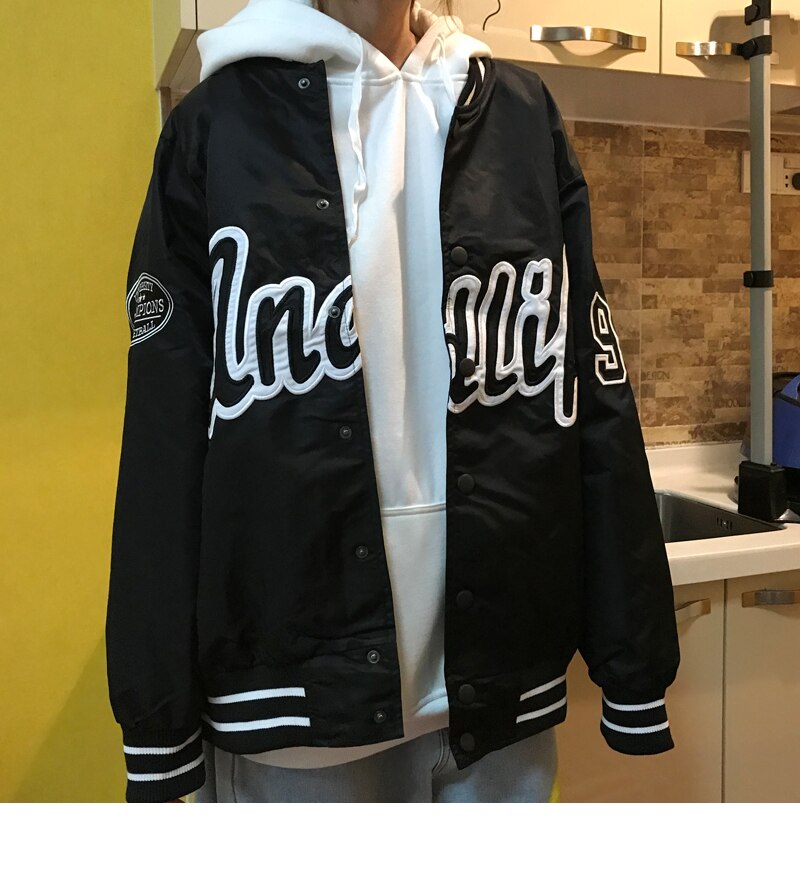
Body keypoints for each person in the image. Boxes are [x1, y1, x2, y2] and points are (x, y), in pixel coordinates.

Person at [106, 0, 680, 804]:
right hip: (297, 719)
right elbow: (164, 437)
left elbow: (592, 388)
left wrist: (634, 660)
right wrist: (157, 723)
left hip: (500, 704)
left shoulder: (519, 117)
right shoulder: (216, 127)